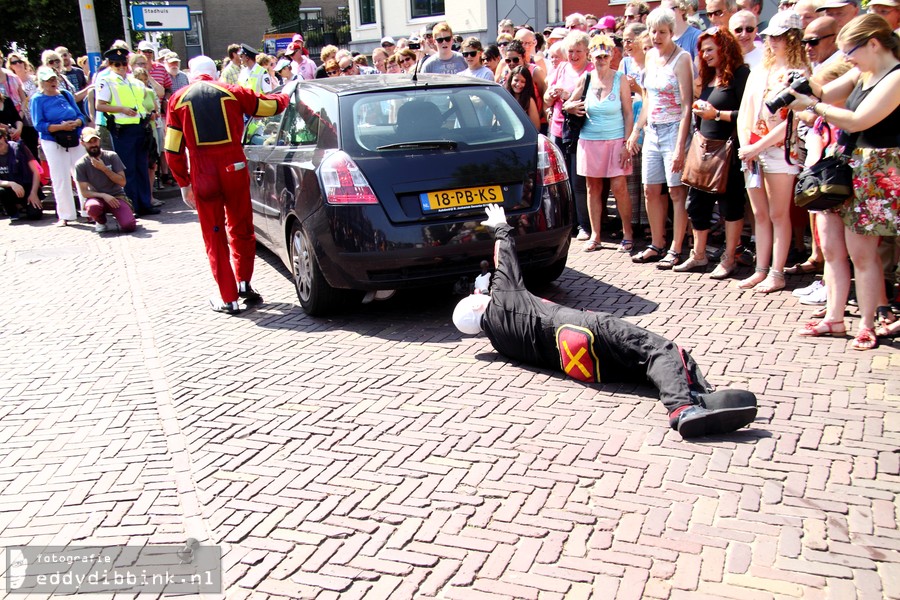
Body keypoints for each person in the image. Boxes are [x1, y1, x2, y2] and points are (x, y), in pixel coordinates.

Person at [453, 204, 758, 439]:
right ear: (479, 302)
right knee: (658, 349)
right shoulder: (504, 298)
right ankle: (683, 407)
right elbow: (505, 259)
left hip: (583, 365)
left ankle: (701, 398)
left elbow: (491, 296)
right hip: (583, 327)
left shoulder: (500, 342)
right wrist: (500, 227)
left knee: (642, 365)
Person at [787, 14, 900, 348]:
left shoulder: (895, 77)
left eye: (850, 49)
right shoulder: (861, 72)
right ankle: (833, 319)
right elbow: (823, 90)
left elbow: (859, 119)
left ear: (874, 44)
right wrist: (802, 86)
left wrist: (814, 105)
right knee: (833, 248)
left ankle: (866, 323)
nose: (846, 57)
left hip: (875, 167)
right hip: (845, 164)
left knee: (862, 253)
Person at [164, 56, 289, 314]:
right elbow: (268, 107)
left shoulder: (177, 99)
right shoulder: (231, 91)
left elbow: (172, 149)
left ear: (191, 74)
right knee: (241, 225)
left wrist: (183, 182)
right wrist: (287, 93)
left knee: (214, 234)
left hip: (202, 170)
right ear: (215, 72)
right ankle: (244, 282)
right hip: (234, 165)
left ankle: (228, 296)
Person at [736, 11, 810, 293]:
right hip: (753, 150)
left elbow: (792, 121)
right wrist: (747, 146)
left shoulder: (799, 73)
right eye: (770, 37)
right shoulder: (759, 70)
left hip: (780, 151)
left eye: (778, 37)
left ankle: (777, 272)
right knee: (760, 214)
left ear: (792, 38)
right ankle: (761, 269)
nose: (771, 42)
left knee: (779, 214)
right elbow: (746, 111)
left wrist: (757, 146)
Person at [675, 27, 750, 278]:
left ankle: (729, 258)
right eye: (702, 50)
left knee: (731, 206)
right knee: (695, 204)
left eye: (710, 49)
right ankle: (698, 255)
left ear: (724, 48)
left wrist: (716, 114)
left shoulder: (740, 74)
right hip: (704, 149)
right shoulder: (708, 78)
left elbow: (748, 115)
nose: (705, 55)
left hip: (728, 151)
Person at [626, 7, 695, 269]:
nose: (656, 37)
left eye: (662, 32)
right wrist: (636, 130)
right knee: (650, 189)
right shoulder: (651, 56)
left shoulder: (683, 58)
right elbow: (648, 99)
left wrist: (680, 146)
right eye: (653, 31)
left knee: (677, 191)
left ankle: (677, 248)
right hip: (652, 129)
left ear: (671, 32)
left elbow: (687, 105)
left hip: (674, 129)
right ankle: (657, 243)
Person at [565, 34, 635, 253]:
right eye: (597, 56)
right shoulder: (585, 79)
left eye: (605, 55)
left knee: (618, 187)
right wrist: (570, 107)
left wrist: (627, 142)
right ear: (591, 57)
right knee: (592, 187)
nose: (601, 60)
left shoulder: (620, 79)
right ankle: (595, 235)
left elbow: (628, 113)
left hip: (615, 140)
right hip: (589, 140)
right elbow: (568, 102)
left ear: (612, 55)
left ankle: (628, 232)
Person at [95, 47, 158, 217]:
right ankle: (132, 205)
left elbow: (145, 101)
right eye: (117, 64)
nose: (121, 67)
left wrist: (149, 113)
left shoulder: (134, 80)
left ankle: (145, 203)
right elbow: (99, 105)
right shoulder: (106, 80)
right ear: (110, 64)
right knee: (127, 169)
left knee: (142, 166)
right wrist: (121, 109)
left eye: (123, 63)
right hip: (122, 129)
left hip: (140, 127)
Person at [546, 31, 593, 242]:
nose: (573, 55)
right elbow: (547, 98)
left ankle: (584, 224)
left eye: (578, 51)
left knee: (578, 180)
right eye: (570, 51)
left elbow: (591, 102)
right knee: (559, 181)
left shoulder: (591, 71)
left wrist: (567, 98)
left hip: (580, 131)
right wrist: (552, 95)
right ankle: (567, 223)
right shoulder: (562, 67)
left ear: (587, 52)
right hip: (557, 128)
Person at [30, 65, 85, 226]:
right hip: (53, 140)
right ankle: (66, 214)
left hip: (73, 137)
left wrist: (76, 122)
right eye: (48, 80)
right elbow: (39, 124)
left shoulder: (66, 94)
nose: (52, 82)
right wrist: (60, 127)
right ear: (41, 82)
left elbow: (80, 114)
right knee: (60, 177)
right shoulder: (37, 99)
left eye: (53, 78)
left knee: (81, 173)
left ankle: (88, 210)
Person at [73, 127, 137, 233]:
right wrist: (104, 196)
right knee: (92, 207)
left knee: (129, 226)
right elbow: (84, 192)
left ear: (99, 140)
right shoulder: (81, 164)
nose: (93, 145)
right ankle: (100, 221)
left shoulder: (112, 156)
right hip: (97, 199)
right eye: (89, 142)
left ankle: (123, 213)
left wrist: (104, 169)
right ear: (82, 143)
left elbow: (122, 182)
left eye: (95, 141)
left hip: (117, 197)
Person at [0, 126, 42, 221]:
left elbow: (35, 172)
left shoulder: (19, 148)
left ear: (4, 137)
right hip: (9, 189)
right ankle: (13, 211)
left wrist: (33, 193)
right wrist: (11, 184)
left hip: (26, 186)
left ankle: (25, 206)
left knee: (35, 215)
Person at [504, 66, 541, 130]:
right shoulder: (504, 98)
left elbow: (536, 127)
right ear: (510, 80)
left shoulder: (529, 101)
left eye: (523, 82)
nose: (518, 84)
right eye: (516, 80)